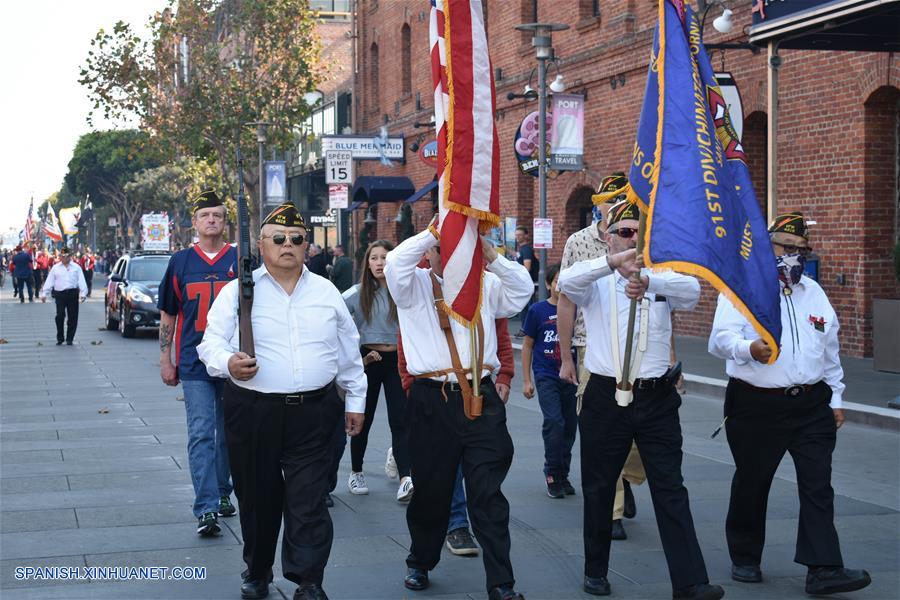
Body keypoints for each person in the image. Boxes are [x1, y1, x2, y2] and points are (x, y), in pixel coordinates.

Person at [198, 203, 366, 600]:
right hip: (253, 411)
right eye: (278, 238)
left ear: (308, 245)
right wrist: (228, 362)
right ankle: (257, 569)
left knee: (309, 501)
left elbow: (349, 352)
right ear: (261, 245)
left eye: (296, 239)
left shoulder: (326, 292)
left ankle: (308, 580)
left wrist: (356, 398)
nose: (287, 245)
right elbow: (209, 344)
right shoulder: (237, 291)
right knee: (258, 499)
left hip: (314, 411)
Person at [559, 200, 723, 600]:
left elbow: (693, 292)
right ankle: (595, 569)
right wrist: (613, 265)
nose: (634, 240)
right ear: (609, 237)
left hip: (655, 397)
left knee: (671, 487)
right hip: (605, 394)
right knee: (599, 487)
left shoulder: (662, 276)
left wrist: (651, 281)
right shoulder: (596, 278)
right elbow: (566, 283)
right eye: (626, 233)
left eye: (640, 232)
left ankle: (690, 582)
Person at [708, 212, 871, 596]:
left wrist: (837, 397)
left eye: (801, 250)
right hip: (756, 404)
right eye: (786, 248)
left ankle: (823, 567)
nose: (794, 256)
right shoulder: (742, 287)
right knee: (753, 480)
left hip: (811, 404)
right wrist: (748, 348)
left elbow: (829, 350)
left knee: (818, 484)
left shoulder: (813, 292)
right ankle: (745, 555)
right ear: (767, 248)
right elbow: (719, 340)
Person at [385, 222, 532, 600]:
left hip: (481, 400)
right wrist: (439, 228)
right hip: (432, 401)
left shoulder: (486, 284)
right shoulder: (413, 286)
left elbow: (522, 290)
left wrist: (491, 254)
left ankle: (502, 582)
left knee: (488, 495)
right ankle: (420, 560)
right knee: (431, 493)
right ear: (429, 253)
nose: (450, 257)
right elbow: (395, 262)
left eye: (457, 250)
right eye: (442, 249)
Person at [558, 173, 646, 540]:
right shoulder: (579, 242)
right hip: (591, 344)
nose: (615, 207)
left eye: (622, 199)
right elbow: (565, 297)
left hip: (638, 349)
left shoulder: (643, 238)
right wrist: (565, 357)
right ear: (599, 207)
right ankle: (611, 513)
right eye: (609, 201)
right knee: (604, 429)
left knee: (639, 437)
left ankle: (626, 477)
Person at [397, 313, 516, 558]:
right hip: (433, 393)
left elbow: (498, 324)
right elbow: (405, 334)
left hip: (478, 392)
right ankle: (421, 559)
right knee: (431, 486)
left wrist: (505, 372)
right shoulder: (420, 277)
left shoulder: (485, 277)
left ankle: (501, 581)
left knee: (487, 487)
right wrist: (409, 383)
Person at [157, 191, 238, 539]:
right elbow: (169, 313)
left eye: (217, 215)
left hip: (234, 360)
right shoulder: (180, 262)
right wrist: (166, 358)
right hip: (193, 361)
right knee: (202, 433)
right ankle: (206, 507)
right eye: (205, 215)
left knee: (230, 434)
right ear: (195, 222)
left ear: (224, 221)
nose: (211, 220)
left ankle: (223, 492)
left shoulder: (239, 257)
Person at [341, 240, 413, 502]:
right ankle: (356, 471)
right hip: (369, 360)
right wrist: (357, 352)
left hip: (397, 361)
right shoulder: (356, 293)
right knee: (363, 418)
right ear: (367, 262)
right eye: (375, 258)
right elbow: (335, 318)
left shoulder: (402, 291)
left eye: (385, 257)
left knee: (401, 419)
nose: (380, 263)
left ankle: (406, 477)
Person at [522, 263, 578, 499]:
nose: (559, 286)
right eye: (556, 282)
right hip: (546, 375)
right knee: (554, 422)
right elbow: (527, 346)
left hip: (572, 377)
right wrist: (527, 380)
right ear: (548, 284)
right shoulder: (537, 311)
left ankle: (563, 473)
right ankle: (552, 473)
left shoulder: (577, 309)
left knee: (570, 427)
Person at [40, 247, 87, 345]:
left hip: (72, 293)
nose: (64, 258)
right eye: (62, 256)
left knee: (73, 317)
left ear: (70, 256)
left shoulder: (76, 267)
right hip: (60, 294)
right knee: (60, 315)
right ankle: (60, 337)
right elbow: (50, 281)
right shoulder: (55, 268)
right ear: (60, 257)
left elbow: (81, 281)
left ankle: (70, 338)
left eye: (66, 256)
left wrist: (83, 294)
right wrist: (44, 293)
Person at [513, 226, 539, 336]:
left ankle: (528, 330)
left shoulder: (527, 249)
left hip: (529, 284)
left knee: (528, 307)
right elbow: (518, 256)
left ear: (526, 236)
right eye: (516, 235)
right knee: (525, 307)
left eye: (520, 235)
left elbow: (527, 267)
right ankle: (525, 329)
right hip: (525, 283)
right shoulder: (522, 249)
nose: (518, 237)